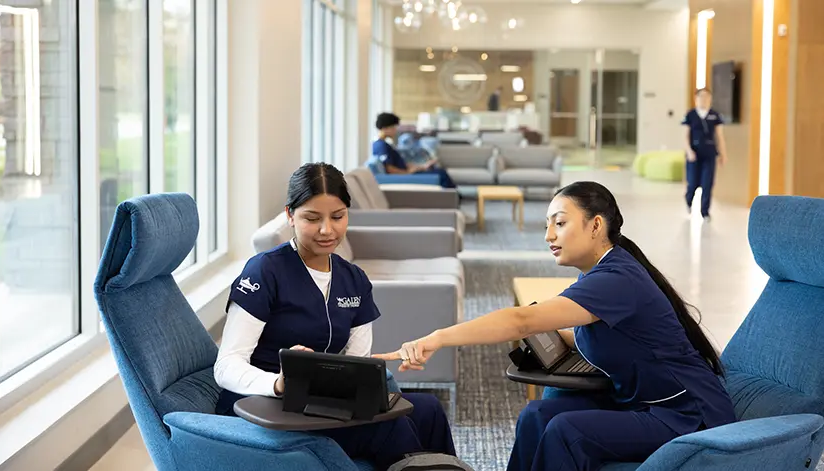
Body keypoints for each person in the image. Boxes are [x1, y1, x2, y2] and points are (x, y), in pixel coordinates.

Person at [375, 181, 736, 471]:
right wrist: (547, 335)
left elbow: (521, 320)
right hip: (638, 402)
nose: (549, 235)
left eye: (560, 223)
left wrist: (438, 338)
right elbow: (585, 332)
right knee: (536, 415)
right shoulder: (598, 274)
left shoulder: (616, 279)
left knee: (567, 430)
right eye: (547, 224)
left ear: (596, 226)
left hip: (686, 414)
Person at [214, 162, 456, 469]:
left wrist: (369, 378)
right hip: (262, 406)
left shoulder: (353, 279)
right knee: (390, 427)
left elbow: (356, 362)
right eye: (312, 218)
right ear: (290, 215)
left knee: (429, 410)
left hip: (320, 402)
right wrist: (279, 383)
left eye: (338, 217)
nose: (327, 230)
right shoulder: (264, 271)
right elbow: (226, 367)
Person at [373, 112, 457, 189]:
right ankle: (453, 197)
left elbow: (398, 163)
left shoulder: (386, 144)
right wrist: (408, 172)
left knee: (439, 171)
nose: (396, 130)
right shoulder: (381, 146)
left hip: (407, 171)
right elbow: (390, 169)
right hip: (405, 175)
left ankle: (454, 196)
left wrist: (421, 167)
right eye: (393, 127)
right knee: (441, 174)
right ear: (385, 128)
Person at [682, 88, 727, 221]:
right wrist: (689, 151)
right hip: (694, 154)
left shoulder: (715, 116)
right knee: (693, 183)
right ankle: (688, 200)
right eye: (701, 97)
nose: (704, 100)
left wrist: (723, 154)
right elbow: (685, 136)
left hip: (709, 153)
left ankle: (705, 212)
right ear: (696, 99)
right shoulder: (690, 115)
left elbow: (720, 136)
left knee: (707, 183)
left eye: (707, 97)